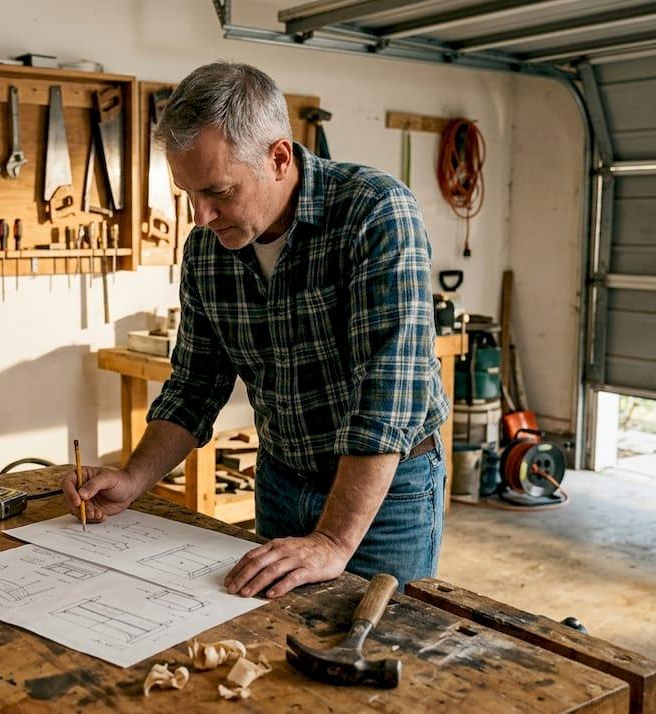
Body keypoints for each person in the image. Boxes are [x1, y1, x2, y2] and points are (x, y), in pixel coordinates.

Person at [63, 61, 449, 598]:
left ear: (278, 157)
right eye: (188, 194)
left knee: (377, 649)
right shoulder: (207, 249)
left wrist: (334, 541)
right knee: (277, 644)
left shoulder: (375, 213)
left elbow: (388, 396)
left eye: (218, 191)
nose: (201, 216)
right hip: (283, 478)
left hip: (386, 490)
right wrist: (133, 479)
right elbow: (195, 385)